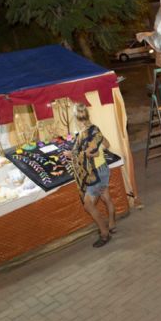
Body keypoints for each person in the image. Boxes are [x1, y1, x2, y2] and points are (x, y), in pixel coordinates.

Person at [66, 103, 116, 248]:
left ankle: (104, 233)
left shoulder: (83, 134)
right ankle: (112, 224)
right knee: (106, 197)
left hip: (95, 173)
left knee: (88, 205)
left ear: (75, 118)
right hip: (104, 169)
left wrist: (73, 154)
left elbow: (93, 153)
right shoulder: (95, 129)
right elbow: (106, 145)